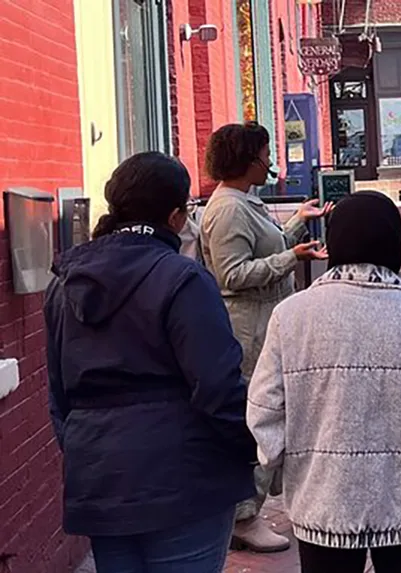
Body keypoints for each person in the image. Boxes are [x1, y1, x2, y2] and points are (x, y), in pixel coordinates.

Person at [247, 192, 401, 573]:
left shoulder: (291, 317)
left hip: (324, 495)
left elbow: (265, 409)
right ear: (395, 242)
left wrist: (281, 464)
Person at [45, 152, 257, 572]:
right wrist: (252, 447)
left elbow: (59, 393)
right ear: (176, 216)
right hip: (184, 478)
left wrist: (86, 449)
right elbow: (218, 387)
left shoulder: (63, 283)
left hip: (100, 476)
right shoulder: (183, 279)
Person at [199, 122, 330, 553]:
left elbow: (260, 251)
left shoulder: (245, 202)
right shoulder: (228, 209)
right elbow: (231, 274)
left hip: (265, 322)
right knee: (259, 417)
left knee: (272, 413)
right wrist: (289, 258)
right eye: (264, 155)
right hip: (248, 329)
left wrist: (296, 227)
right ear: (245, 160)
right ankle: (243, 516)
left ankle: (253, 508)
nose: (270, 162)